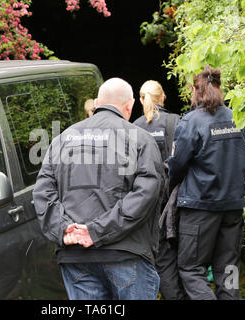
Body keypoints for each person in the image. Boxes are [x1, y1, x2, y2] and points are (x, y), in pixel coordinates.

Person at [33, 77, 165, 300]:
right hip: (126, 255)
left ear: (96, 103)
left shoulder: (62, 139)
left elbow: (42, 192)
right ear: (130, 105)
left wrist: (65, 229)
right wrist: (95, 231)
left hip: (76, 257)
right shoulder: (141, 140)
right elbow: (145, 196)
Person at [167, 65, 245, 300]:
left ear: (194, 90)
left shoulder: (191, 121)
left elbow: (177, 165)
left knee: (191, 269)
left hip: (200, 207)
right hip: (232, 206)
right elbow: (243, 161)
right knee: (229, 269)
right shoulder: (236, 117)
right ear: (219, 88)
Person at [133, 80, 186, 300]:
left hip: (147, 206)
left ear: (141, 99)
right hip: (176, 203)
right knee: (181, 260)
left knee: (158, 260)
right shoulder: (176, 122)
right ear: (163, 97)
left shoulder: (134, 126)